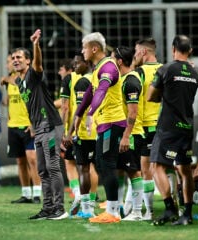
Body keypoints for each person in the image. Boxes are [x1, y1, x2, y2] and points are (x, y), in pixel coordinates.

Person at [12, 29, 67, 220]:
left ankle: (60, 208)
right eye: (13, 58)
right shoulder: (19, 82)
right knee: (42, 170)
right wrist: (33, 125)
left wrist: (36, 44)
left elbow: (38, 63)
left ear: (28, 61)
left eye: (19, 57)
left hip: (51, 126)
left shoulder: (34, 75)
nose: (15, 60)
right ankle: (48, 207)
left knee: (53, 167)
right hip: (39, 128)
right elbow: (31, 106)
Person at [75, 32, 126, 223]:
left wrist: (89, 114)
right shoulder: (98, 69)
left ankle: (113, 211)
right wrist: (79, 114)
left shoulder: (109, 68)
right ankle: (114, 207)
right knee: (103, 163)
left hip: (112, 123)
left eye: (84, 47)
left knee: (107, 165)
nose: (82, 51)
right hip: (104, 124)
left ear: (94, 48)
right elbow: (90, 93)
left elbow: (102, 90)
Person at [148, 35, 198, 226]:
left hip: (168, 127)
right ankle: (187, 214)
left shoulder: (166, 69)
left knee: (156, 166)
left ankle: (169, 208)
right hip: (187, 126)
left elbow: (151, 96)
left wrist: (164, 93)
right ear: (190, 51)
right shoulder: (194, 73)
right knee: (185, 170)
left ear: (173, 48)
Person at [1, 54, 42, 204]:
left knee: (32, 159)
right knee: (20, 161)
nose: (11, 63)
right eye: (10, 60)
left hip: (28, 125)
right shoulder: (9, 80)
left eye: (15, 59)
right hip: (13, 126)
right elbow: (7, 101)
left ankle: (37, 192)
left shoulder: (29, 78)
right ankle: (26, 194)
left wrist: (33, 123)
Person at [112, 46, 144, 221]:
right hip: (122, 133)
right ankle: (117, 210)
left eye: (111, 59)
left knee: (134, 172)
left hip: (131, 134)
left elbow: (133, 112)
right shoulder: (123, 79)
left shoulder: (131, 81)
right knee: (118, 171)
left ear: (119, 61)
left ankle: (137, 212)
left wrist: (125, 136)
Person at [65, 53, 98, 218]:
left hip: (84, 133)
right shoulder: (97, 78)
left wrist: (70, 132)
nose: (75, 66)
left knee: (83, 169)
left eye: (78, 63)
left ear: (86, 63)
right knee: (94, 169)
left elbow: (79, 110)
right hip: (99, 131)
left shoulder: (82, 82)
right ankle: (96, 206)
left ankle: (86, 210)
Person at [133, 38, 163, 220]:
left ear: (144, 52)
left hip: (146, 127)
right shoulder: (165, 69)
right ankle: (175, 205)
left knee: (146, 170)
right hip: (163, 126)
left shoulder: (140, 73)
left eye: (137, 51)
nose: (135, 54)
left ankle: (149, 212)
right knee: (169, 168)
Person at [58, 58, 82, 201]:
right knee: (88, 165)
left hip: (73, 128)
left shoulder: (69, 79)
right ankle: (91, 196)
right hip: (92, 127)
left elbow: (65, 107)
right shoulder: (91, 77)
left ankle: (78, 193)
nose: (59, 72)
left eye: (61, 69)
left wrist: (63, 131)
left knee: (70, 163)